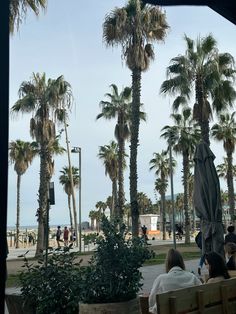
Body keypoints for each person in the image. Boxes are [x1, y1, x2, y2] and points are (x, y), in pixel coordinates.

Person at [149, 248, 201, 314]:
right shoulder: (192, 277)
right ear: (181, 262)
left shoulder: (161, 279)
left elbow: (151, 301)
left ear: (167, 264)